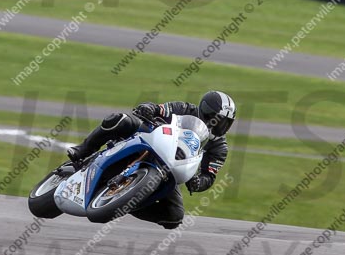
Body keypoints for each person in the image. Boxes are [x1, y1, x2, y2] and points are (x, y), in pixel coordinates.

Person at [67, 91, 236, 230]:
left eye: (225, 123)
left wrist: (198, 183)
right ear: (205, 111)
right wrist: (147, 108)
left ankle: (123, 202)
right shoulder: (185, 109)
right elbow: (160, 109)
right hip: (151, 138)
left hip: (171, 167)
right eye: (216, 118)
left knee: (174, 217)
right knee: (120, 120)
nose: (218, 125)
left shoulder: (219, 147)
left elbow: (209, 175)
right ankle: (83, 149)